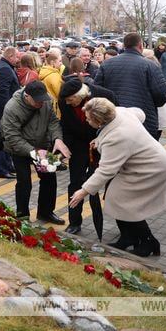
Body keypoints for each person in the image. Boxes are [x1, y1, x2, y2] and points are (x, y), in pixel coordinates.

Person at [70, 98, 166, 257]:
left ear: (99, 121)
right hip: (146, 163)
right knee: (116, 199)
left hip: (151, 168)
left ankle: (149, 242)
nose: (86, 120)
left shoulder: (117, 137)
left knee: (126, 204)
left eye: (89, 118)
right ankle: (128, 238)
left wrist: (83, 191)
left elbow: (105, 171)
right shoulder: (118, 112)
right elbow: (140, 114)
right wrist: (99, 140)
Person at [2, 81, 71, 223]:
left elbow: (53, 121)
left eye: (43, 99)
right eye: (37, 100)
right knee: (24, 182)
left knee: (49, 179)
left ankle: (46, 213)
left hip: (42, 146)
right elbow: (12, 137)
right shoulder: (12, 108)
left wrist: (57, 138)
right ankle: (22, 215)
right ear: (27, 96)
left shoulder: (45, 101)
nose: (41, 102)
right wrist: (34, 152)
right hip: (19, 149)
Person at [58, 77, 117, 234]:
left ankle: (120, 225)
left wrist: (101, 140)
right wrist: (64, 149)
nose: (68, 103)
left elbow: (115, 121)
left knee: (101, 185)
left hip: (101, 144)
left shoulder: (105, 96)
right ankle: (74, 222)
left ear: (81, 95)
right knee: (75, 182)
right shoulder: (64, 101)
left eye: (71, 100)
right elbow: (66, 126)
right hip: (78, 146)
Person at [94, 33, 166, 140]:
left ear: (124, 46)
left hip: (114, 119)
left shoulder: (106, 64)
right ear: (141, 46)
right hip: (143, 120)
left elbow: (97, 91)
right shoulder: (150, 65)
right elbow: (161, 95)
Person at [0, 47, 19, 179]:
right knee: (1, 139)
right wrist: (8, 111)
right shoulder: (5, 69)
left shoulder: (2, 66)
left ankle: (7, 165)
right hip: (2, 111)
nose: (18, 59)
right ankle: (1, 169)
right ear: (11, 56)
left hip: (1, 110)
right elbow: (3, 93)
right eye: (17, 57)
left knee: (6, 138)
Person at [38, 50, 64, 115]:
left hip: (47, 106)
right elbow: (60, 94)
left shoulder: (44, 71)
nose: (61, 63)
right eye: (60, 61)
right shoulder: (54, 75)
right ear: (53, 62)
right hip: (54, 109)